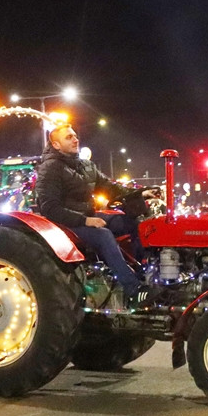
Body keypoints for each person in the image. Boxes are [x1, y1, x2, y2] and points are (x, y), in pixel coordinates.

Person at [36, 124, 156, 307]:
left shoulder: (85, 166)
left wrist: (141, 193)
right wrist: (86, 220)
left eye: (75, 136)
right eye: (69, 137)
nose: (75, 139)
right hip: (64, 223)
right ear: (56, 145)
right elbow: (50, 208)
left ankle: (144, 275)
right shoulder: (50, 168)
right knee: (103, 235)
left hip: (86, 216)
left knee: (135, 223)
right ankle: (133, 291)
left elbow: (110, 187)